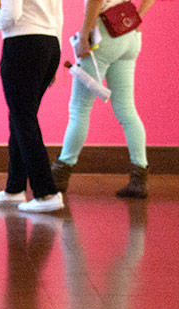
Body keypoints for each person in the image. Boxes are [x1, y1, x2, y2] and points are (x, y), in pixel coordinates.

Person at [51, 0, 156, 198]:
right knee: (127, 110)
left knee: (79, 110)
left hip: (104, 33)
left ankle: (59, 175)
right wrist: (139, 15)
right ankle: (139, 179)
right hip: (129, 33)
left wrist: (84, 34)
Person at [0, 0, 65, 212]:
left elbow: (11, 13)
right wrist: (55, 52)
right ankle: (15, 189)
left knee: (23, 119)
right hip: (49, 44)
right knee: (20, 118)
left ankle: (46, 192)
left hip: (23, 45)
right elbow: (59, 14)